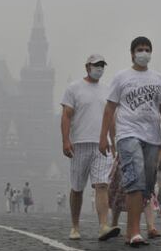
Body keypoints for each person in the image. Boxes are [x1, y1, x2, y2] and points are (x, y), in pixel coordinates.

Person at [99, 36, 161, 247]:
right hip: (127, 134)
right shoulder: (122, 77)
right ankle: (134, 232)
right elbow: (110, 108)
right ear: (132, 53)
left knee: (147, 184)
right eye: (140, 49)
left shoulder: (158, 78)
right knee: (135, 178)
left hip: (152, 137)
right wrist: (103, 136)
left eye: (147, 49)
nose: (144, 53)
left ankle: (133, 229)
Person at [61, 54, 119, 241]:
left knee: (102, 185)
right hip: (80, 143)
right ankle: (75, 226)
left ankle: (103, 226)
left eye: (102, 65)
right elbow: (66, 116)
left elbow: (110, 118)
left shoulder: (108, 90)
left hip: (102, 145)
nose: (99, 68)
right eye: (96, 65)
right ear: (87, 67)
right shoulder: (74, 88)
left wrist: (114, 140)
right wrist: (65, 141)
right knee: (77, 188)